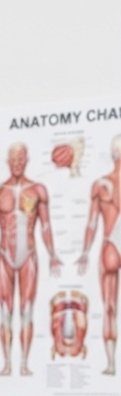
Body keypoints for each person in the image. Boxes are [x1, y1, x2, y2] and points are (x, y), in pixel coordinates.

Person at [0, 142, 62, 377]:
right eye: (13, 160)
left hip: (29, 256)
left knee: (26, 312)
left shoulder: (38, 190)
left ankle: (23, 363)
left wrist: (52, 254)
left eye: (21, 160)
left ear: (27, 160)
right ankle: (7, 364)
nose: (17, 164)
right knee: (5, 311)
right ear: (7, 162)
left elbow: (46, 226)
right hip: (4, 256)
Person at [76, 134, 121, 376]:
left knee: (110, 308)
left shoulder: (102, 185)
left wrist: (84, 252)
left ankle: (112, 364)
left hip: (110, 247)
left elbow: (92, 224)